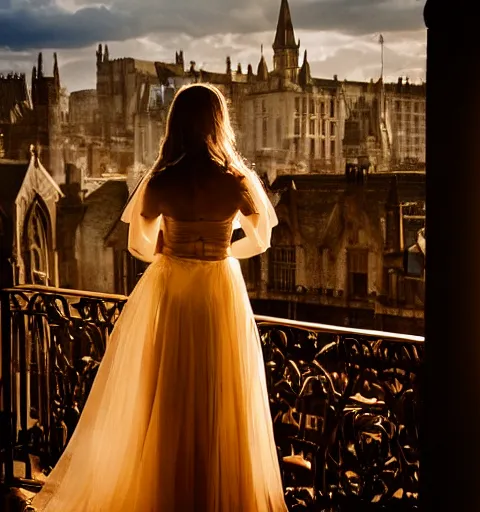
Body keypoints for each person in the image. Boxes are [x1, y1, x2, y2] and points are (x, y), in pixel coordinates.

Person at [30, 83, 288, 511]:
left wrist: (171, 248)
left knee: (167, 388)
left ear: (175, 125)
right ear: (217, 123)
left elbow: (139, 245)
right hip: (220, 288)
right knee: (223, 391)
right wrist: (224, 251)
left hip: (173, 288)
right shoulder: (235, 181)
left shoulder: (162, 180)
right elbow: (261, 239)